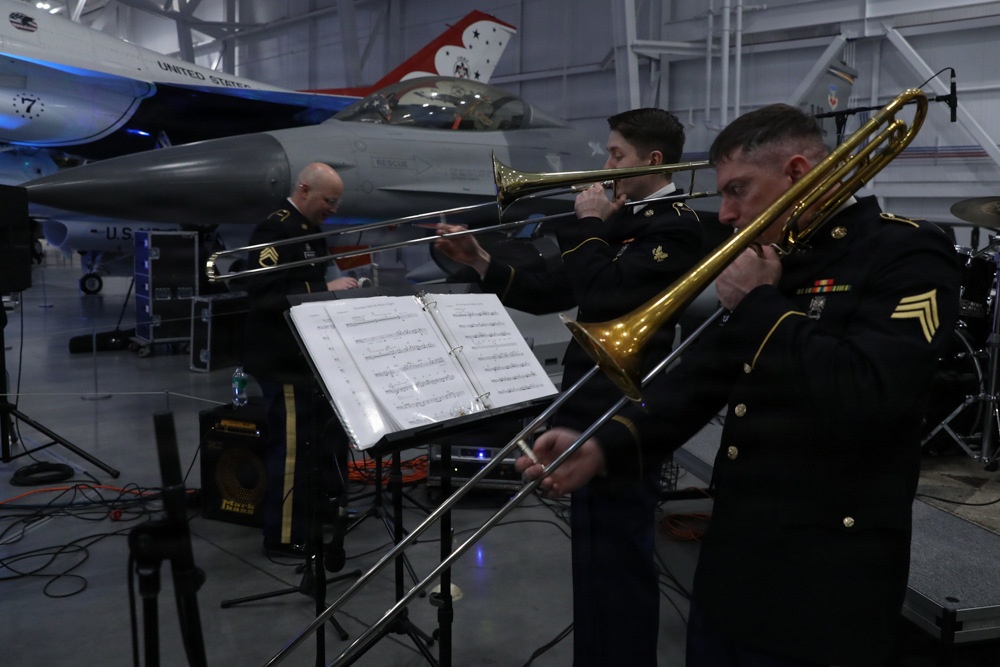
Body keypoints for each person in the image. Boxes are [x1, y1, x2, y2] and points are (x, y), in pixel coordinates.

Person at [517, 103, 962, 666]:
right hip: (735, 562)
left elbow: (870, 392)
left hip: (826, 580)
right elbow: (703, 378)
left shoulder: (905, 252)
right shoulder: (776, 258)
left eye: (738, 190)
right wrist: (604, 446)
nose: (725, 214)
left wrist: (759, 304)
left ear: (798, 173)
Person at [436, 108, 706, 667]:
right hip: (583, 408)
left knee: (621, 560)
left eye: (616, 155)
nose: (605, 165)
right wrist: (481, 259)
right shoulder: (620, 222)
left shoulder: (678, 227)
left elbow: (607, 295)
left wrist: (588, 226)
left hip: (626, 416)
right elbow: (551, 289)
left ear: (654, 162)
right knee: (592, 558)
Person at [242, 162, 359, 556]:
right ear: (305, 190)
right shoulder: (276, 230)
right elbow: (263, 293)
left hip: (309, 358)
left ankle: (325, 512)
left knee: (326, 441)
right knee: (291, 449)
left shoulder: (310, 230)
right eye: (329, 200)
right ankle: (286, 535)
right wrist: (323, 287)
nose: (333, 209)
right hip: (281, 360)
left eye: (337, 202)